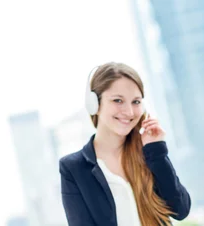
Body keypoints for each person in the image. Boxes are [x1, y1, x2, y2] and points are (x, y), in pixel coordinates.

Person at [59, 62, 191, 226]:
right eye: (118, 100)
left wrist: (156, 153)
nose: (129, 112)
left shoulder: (148, 154)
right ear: (94, 104)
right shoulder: (74, 168)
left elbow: (181, 210)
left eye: (136, 102)